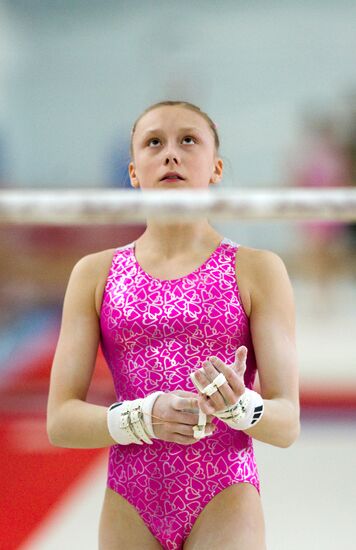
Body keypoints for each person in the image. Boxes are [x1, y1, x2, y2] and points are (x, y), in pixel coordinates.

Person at [47, 100, 300, 550]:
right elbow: (60, 420)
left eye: (188, 140)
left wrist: (241, 408)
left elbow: (286, 424)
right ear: (132, 171)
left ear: (216, 167)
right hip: (131, 498)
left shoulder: (257, 270)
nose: (170, 154)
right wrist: (142, 417)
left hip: (223, 493)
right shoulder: (95, 274)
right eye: (154, 142)